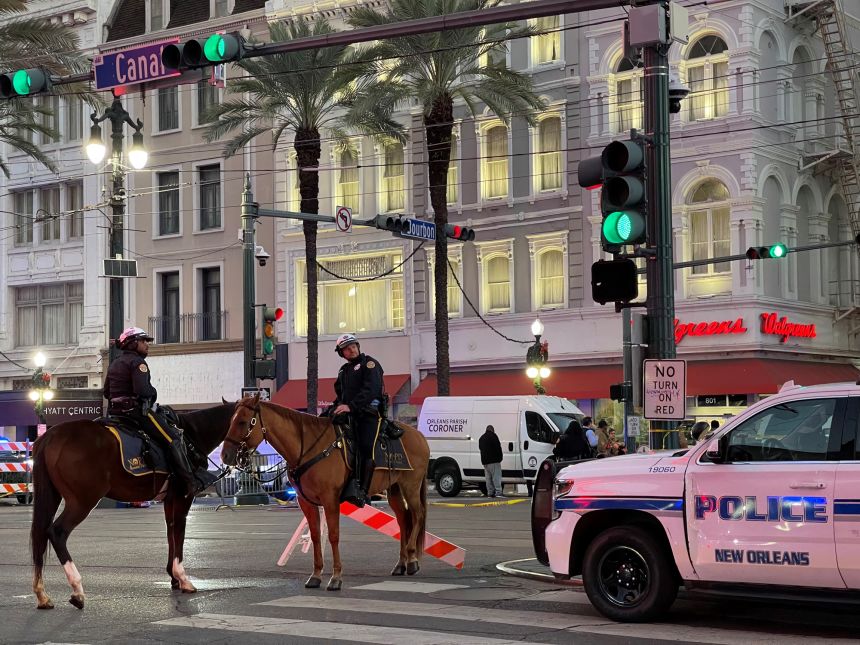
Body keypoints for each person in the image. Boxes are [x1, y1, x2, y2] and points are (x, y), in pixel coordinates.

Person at [103, 327, 214, 497]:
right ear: (133, 344)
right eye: (143, 341)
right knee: (174, 438)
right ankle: (190, 482)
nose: (147, 345)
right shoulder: (138, 363)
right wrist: (152, 392)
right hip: (137, 413)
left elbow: (107, 393)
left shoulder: (115, 363)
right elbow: (143, 391)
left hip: (115, 414)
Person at [323, 333, 384, 507]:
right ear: (342, 354)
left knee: (365, 447)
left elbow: (371, 390)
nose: (351, 350)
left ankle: (363, 492)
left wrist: (351, 406)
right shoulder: (344, 371)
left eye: (353, 346)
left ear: (358, 346)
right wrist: (332, 410)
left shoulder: (370, 364)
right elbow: (340, 396)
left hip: (368, 413)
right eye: (346, 349)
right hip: (350, 415)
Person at [478, 425, 503, 498]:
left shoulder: (481, 438)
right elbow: (498, 447)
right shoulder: (493, 436)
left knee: (488, 479)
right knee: (496, 477)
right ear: (492, 430)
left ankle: (490, 493)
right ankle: (498, 492)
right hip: (494, 461)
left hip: (485, 462)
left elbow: (480, 449)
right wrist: (500, 458)